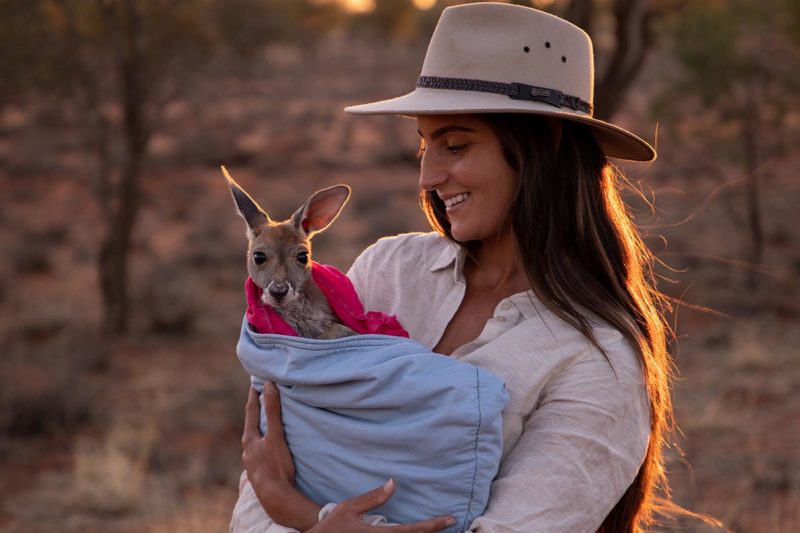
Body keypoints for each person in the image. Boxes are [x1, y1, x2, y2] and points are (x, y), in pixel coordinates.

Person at [231, 3, 693, 532]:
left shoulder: (596, 359)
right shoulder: (388, 270)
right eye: (425, 146)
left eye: (455, 145)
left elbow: (278, 491)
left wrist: (300, 512)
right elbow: (262, 484)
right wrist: (274, 498)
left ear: (545, 146)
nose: (427, 176)